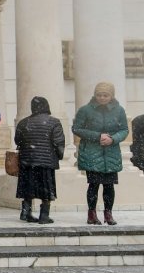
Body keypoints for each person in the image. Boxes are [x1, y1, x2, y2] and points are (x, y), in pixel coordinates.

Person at [73, 82, 130, 226]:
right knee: (93, 185)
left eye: (105, 95)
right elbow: (77, 128)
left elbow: (124, 130)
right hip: (92, 153)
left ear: (111, 96)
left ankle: (108, 213)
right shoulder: (85, 110)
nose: (102, 98)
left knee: (109, 186)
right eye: (99, 95)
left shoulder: (119, 111)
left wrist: (113, 139)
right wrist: (97, 136)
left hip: (111, 154)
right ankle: (91, 214)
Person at [14, 96, 65, 225]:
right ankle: (44, 215)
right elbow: (59, 142)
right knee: (46, 190)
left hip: (27, 161)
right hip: (46, 162)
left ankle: (26, 212)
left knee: (28, 188)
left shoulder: (23, 123)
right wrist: (58, 156)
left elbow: (17, 141)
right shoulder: (54, 122)